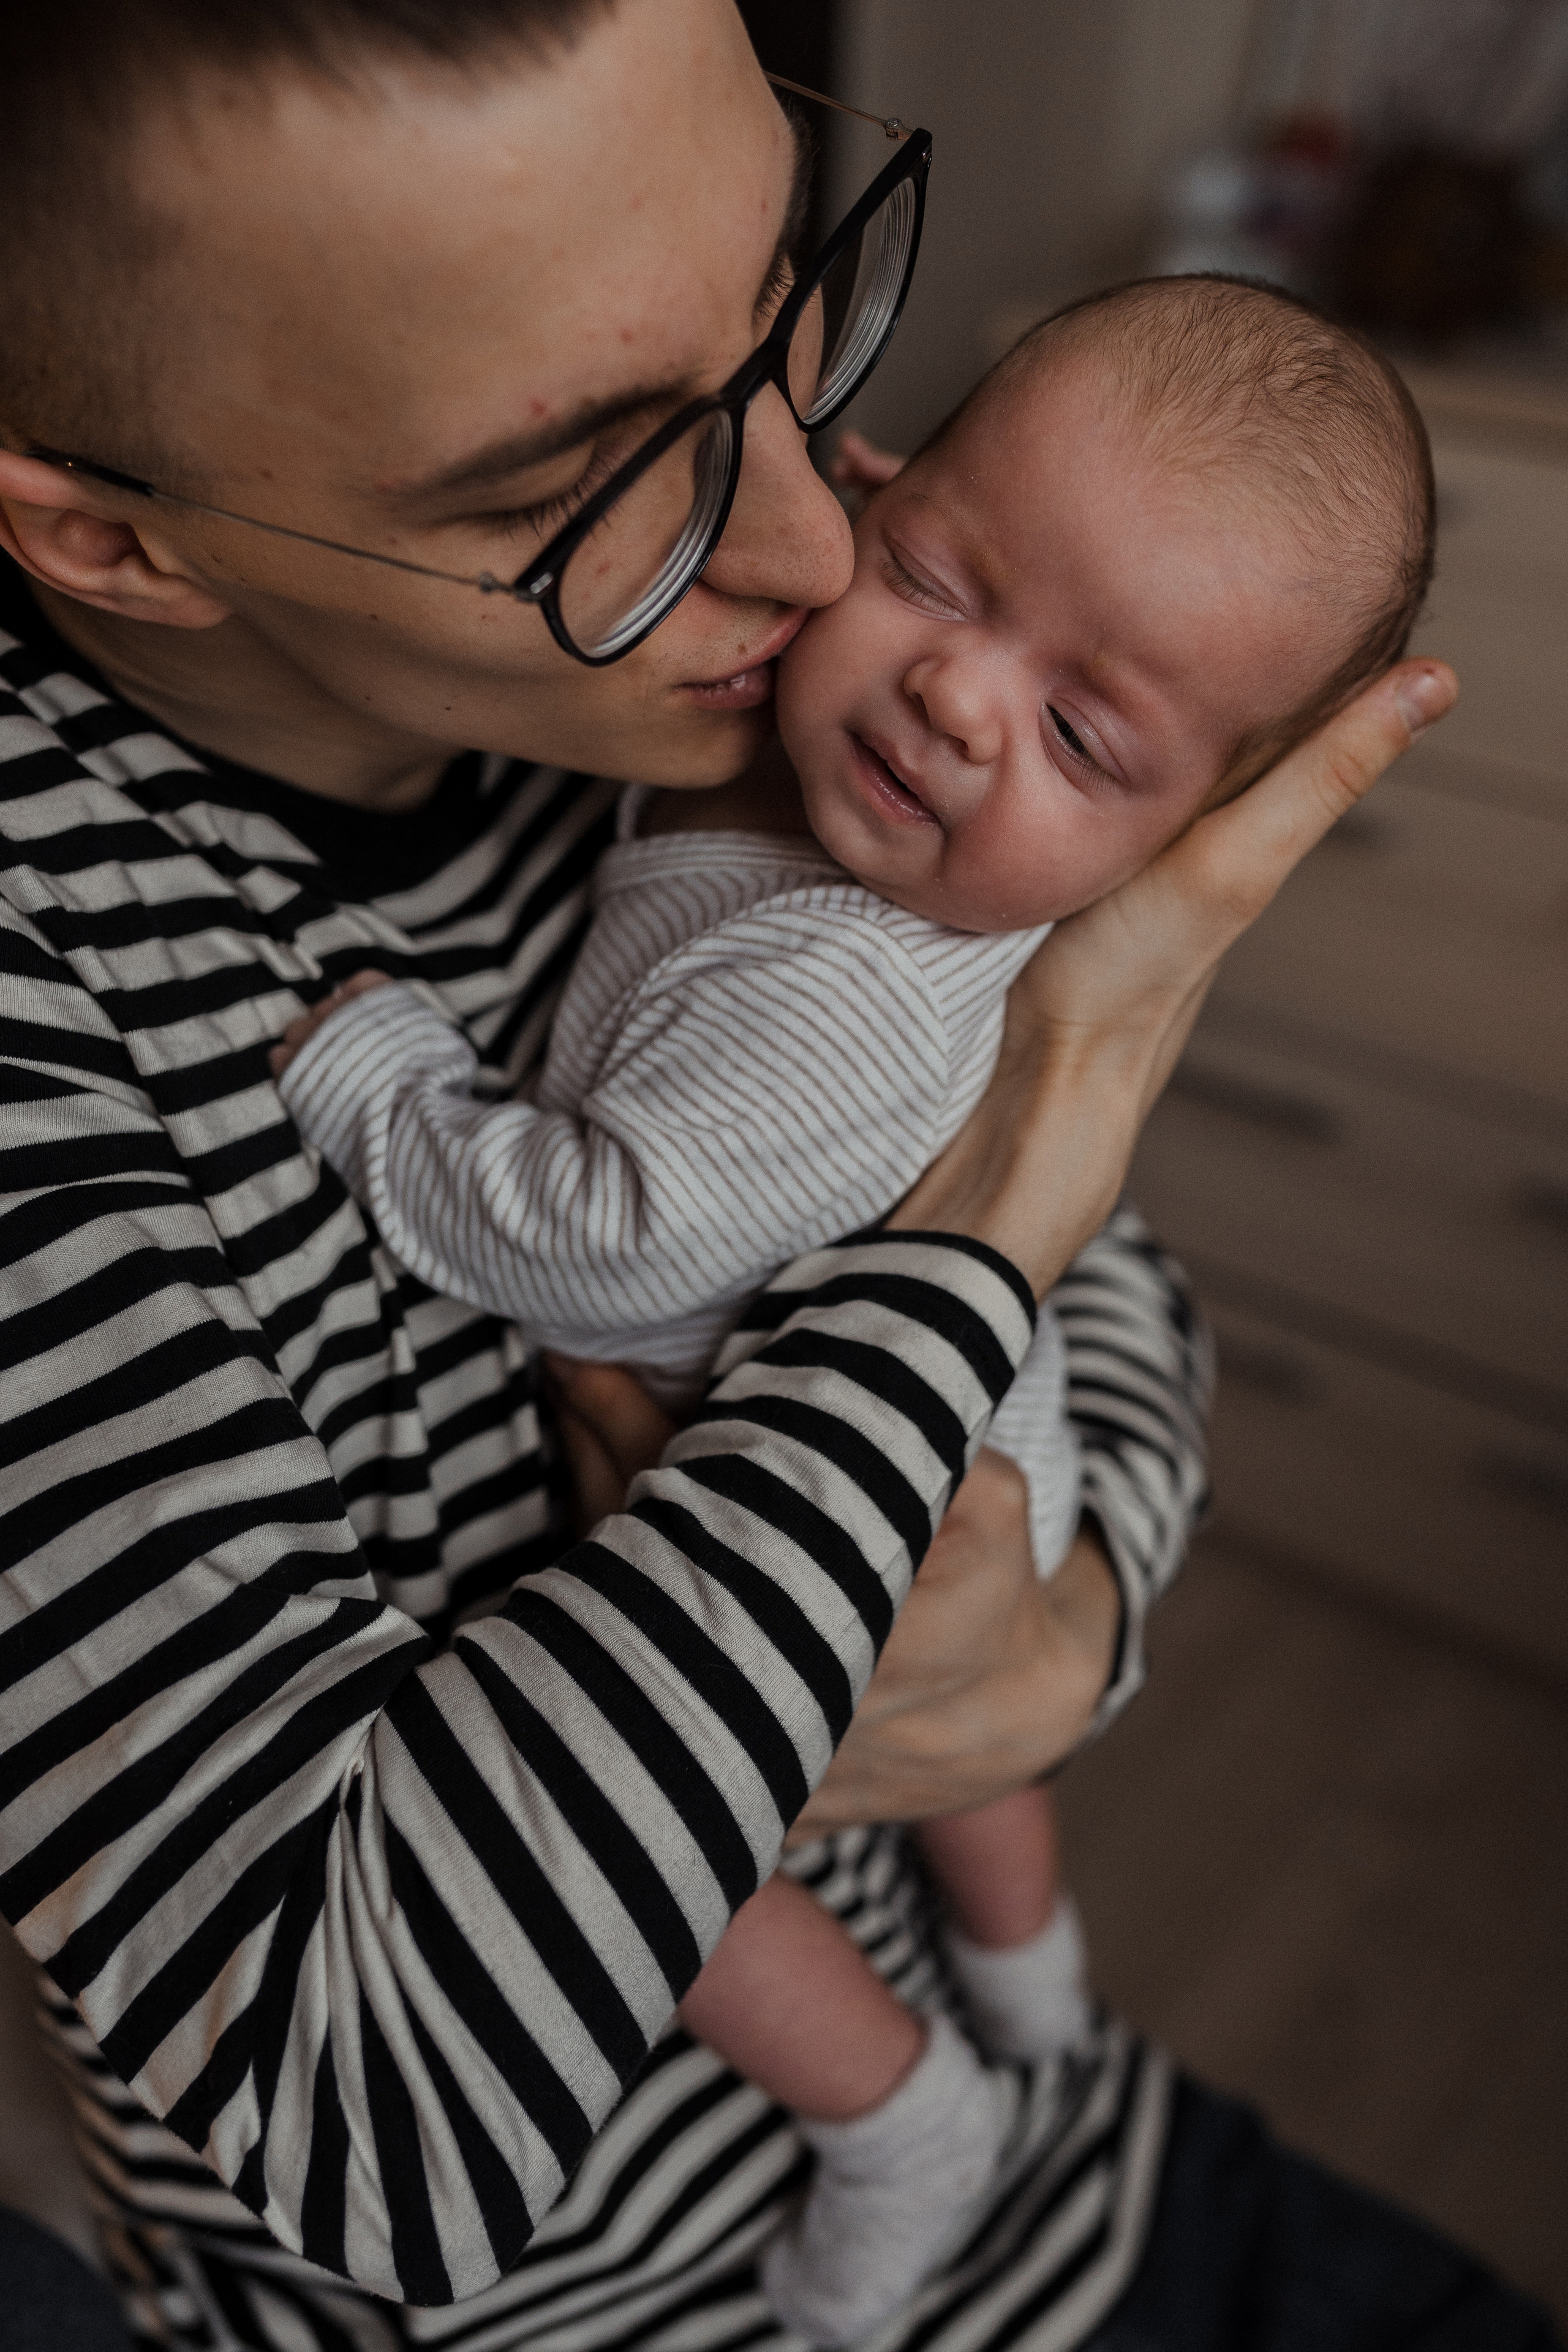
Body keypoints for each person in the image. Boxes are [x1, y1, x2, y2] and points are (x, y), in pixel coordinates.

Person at [0, 4, 1456, 2349]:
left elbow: (1127, 1329)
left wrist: (1047, 1654)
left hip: (1085, 2178)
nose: (821, 539)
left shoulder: (779, 734)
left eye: (787, 307)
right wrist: (1015, 1176)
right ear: (108, 534)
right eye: (579, 482)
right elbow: (383, 2107)